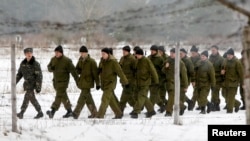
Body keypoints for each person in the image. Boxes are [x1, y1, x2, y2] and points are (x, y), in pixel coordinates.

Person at [46, 45, 79, 118]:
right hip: (56, 82)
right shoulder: (53, 59)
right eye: (55, 52)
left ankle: (53, 111)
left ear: (61, 53)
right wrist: (51, 68)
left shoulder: (67, 61)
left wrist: (77, 80)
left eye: (58, 52)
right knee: (63, 96)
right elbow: (48, 67)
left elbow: (73, 71)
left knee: (58, 96)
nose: (56, 54)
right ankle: (69, 111)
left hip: (63, 82)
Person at [97, 48, 128, 119]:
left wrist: (125, 82)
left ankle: (100, 115)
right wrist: (98, 71)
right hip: (104, 83)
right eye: (102, 54)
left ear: (108, 54)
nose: (102, 55)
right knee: (110, 100)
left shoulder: (113, 62)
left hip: (111, 83)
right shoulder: (102, 61)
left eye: (104, 54)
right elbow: (99, 70)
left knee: (104, 99)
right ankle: (119, 113)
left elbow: (120, 72)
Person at [71, 46, 100, 119]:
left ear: (87, 53)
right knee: (88, 98)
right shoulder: (80, 60)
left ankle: (76, 112)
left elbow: (95, 74)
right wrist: (77, 72)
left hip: (88, 83)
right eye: (81, 53)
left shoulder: (92, 62)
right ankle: (95, 113)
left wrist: (98, 83)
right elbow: (77, 69)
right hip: (82, 82)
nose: (82, 54)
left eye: (83, 53)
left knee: (82, 97)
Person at [16, 48, 43, 119]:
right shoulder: (23, 64)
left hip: (33, 84)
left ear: (32, 53)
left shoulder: (35, 64)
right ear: (25, 54)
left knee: (29, 97)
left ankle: (23, 112)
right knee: (28, 97)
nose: (29, 54)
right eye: (27, 53)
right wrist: (14, 82)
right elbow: (19, 74)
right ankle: (39, 112)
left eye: (30, 52)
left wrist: (38, 86)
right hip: (27, 84)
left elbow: (39, 76)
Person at [130, 48, 157, 119]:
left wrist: (156, 81)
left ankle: (136, 112)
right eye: (136, 55)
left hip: (145, 82)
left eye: (138, 55)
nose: (137, 56)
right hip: (138, 83)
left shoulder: (147, 61)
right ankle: (151, 110)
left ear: (141, 55)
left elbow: (153, 70)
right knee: (139, 96)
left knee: (141, 97)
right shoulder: (137, 61)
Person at [162, 48, 188, 116]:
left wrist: (185, 86)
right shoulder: (167, 61)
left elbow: (184, 75)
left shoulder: (180, 63)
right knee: (173, 97)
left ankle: (169, 112)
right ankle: (182, 106)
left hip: (175, 83)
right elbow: (163, 71)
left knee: (171, 97)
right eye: (170, 53)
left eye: (173, 53)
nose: (171, 54)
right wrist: (166, 67)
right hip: (168, 83)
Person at [221, 48, 243, 113]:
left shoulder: (237, 62)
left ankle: (229, 111)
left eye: (230, 55)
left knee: (230, 97)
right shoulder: (225, 61)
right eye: (228, 55)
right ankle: (237, 103)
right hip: (225, 82)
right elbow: (222, 68)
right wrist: (222, 72)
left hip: (233, 82)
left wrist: (242, 83)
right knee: (224, 94)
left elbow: (241, 74)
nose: (228, 56)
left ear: (233, 55)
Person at [119, 46, 136, 114]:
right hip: (124, 81)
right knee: (129, 97)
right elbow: (119, 67)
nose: (123, 52)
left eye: (125, 51)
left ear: (128, 52)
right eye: (123, 51)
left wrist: (133, 81)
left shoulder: (132, 59)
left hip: (130, 82)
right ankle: (136, 107)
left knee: (123, 97)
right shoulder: (122, 58)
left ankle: (120, 112)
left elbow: (135, 70)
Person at [148, 45, 165, 113]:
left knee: (152, 94)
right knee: (155, 95)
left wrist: (162, 79)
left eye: (153, 51)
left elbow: (163, 69)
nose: (152, 52)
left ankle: (150, 109)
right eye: (151, 50)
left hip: (158, 79)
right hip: (150, 79)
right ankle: (162, 105)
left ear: (156, 51)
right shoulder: (149, 57)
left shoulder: (160, 59)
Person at [208, 45, 224, 111]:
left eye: (214, 50)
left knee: (215, 92)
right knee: (213, 92)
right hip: (211, 78)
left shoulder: (221, 59)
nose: (213, 51)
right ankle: (215, 104)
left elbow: (223, 69)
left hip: (218, 78)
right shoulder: (210, 58)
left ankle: (216, 104)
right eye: (212, 50)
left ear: (217, 50)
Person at [188, 45, 201, 111]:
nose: (192, 54)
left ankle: (192, 105)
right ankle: (200, 104)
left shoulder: (200, 59)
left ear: (197, 53)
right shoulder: (189, 59)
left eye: (193, 53)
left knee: (196, 92)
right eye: (191, 53)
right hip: (191, 78)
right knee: (197, 92)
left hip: (198, 78)